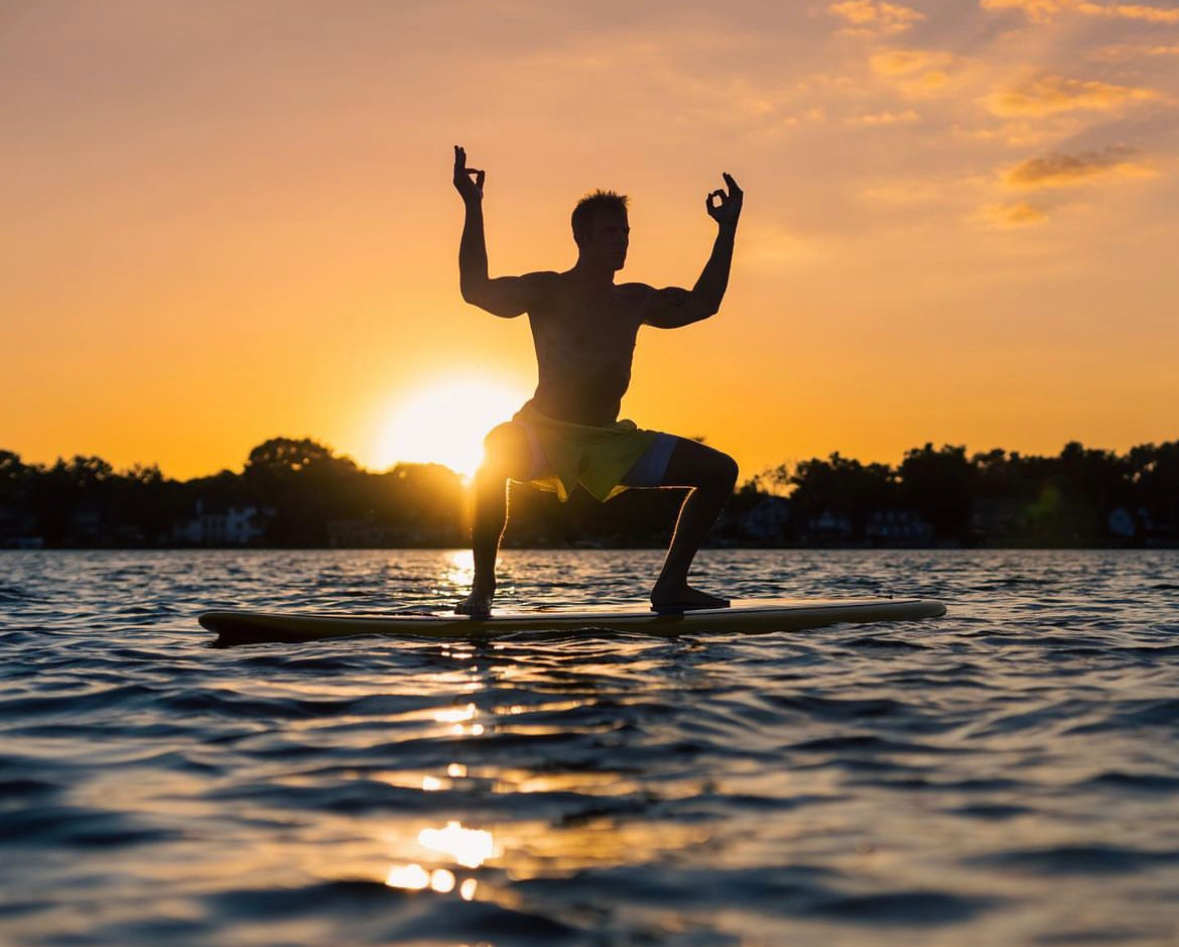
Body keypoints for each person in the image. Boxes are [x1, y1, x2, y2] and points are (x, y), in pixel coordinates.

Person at [452, 145, 742, 617]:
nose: (622, 241)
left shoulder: (635, 300)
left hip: (610, 442)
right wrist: (472, 205)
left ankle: (672, 584)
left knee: (720, 470)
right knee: (493, 451)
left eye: (626, 233)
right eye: (610, 232)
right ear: (581, 237)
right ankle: (483, 588)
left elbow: (703, 304)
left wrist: (727, 229)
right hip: (544, 433)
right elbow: (475, 289)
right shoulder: (547, 289)